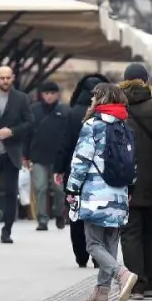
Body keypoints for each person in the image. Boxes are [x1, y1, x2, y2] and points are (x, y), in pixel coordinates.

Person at [64, 83, 138, 301]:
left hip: (95, 193)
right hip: (119, 193)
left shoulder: (92, 126)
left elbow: (81, 161)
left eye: (94, 97)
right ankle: (102, 293)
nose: (91, 100)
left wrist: (72, 189)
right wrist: (129, 190)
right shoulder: (125, 127)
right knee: (110, 243)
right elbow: (132, 163)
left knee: (93, 244)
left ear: (101, 99)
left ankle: (121, 273)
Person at [118, 63, 152, 300]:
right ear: (146, 81)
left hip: (125, 180)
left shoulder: (117, 109)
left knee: (130, 233)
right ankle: (150, 282)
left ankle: (136, 284)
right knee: (151, 232)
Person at [54, 73, 110, 268]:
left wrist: (59, 168)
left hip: (76, 170)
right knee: (97, 213)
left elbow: (65, 143)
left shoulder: (73, 112)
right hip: (100, 172)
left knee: (76, 211)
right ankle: (98, 255)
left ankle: (80, 255)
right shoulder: (107, 113)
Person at [0, 66, 33, 243]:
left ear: (13, 78)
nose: (5, 81)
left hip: (11, 152)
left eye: (8, 77)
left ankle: (7, 230)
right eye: (2, 77)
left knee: (12, 192)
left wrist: (12, 131)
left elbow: (29, 123)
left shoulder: (21, 98)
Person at [27, 81, 69, 230]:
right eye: (46, 93)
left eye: (52, 93)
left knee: (59, 190)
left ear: (57, 94)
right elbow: (28, 133)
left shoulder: (65, 110)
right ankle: (42, 219)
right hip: (38, 156)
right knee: (40, 187)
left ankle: (59, 213)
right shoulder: (34, 110)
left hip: (58, 158)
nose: (49, 96)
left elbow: (68, 135)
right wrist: (25, 155)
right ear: (41, 95)